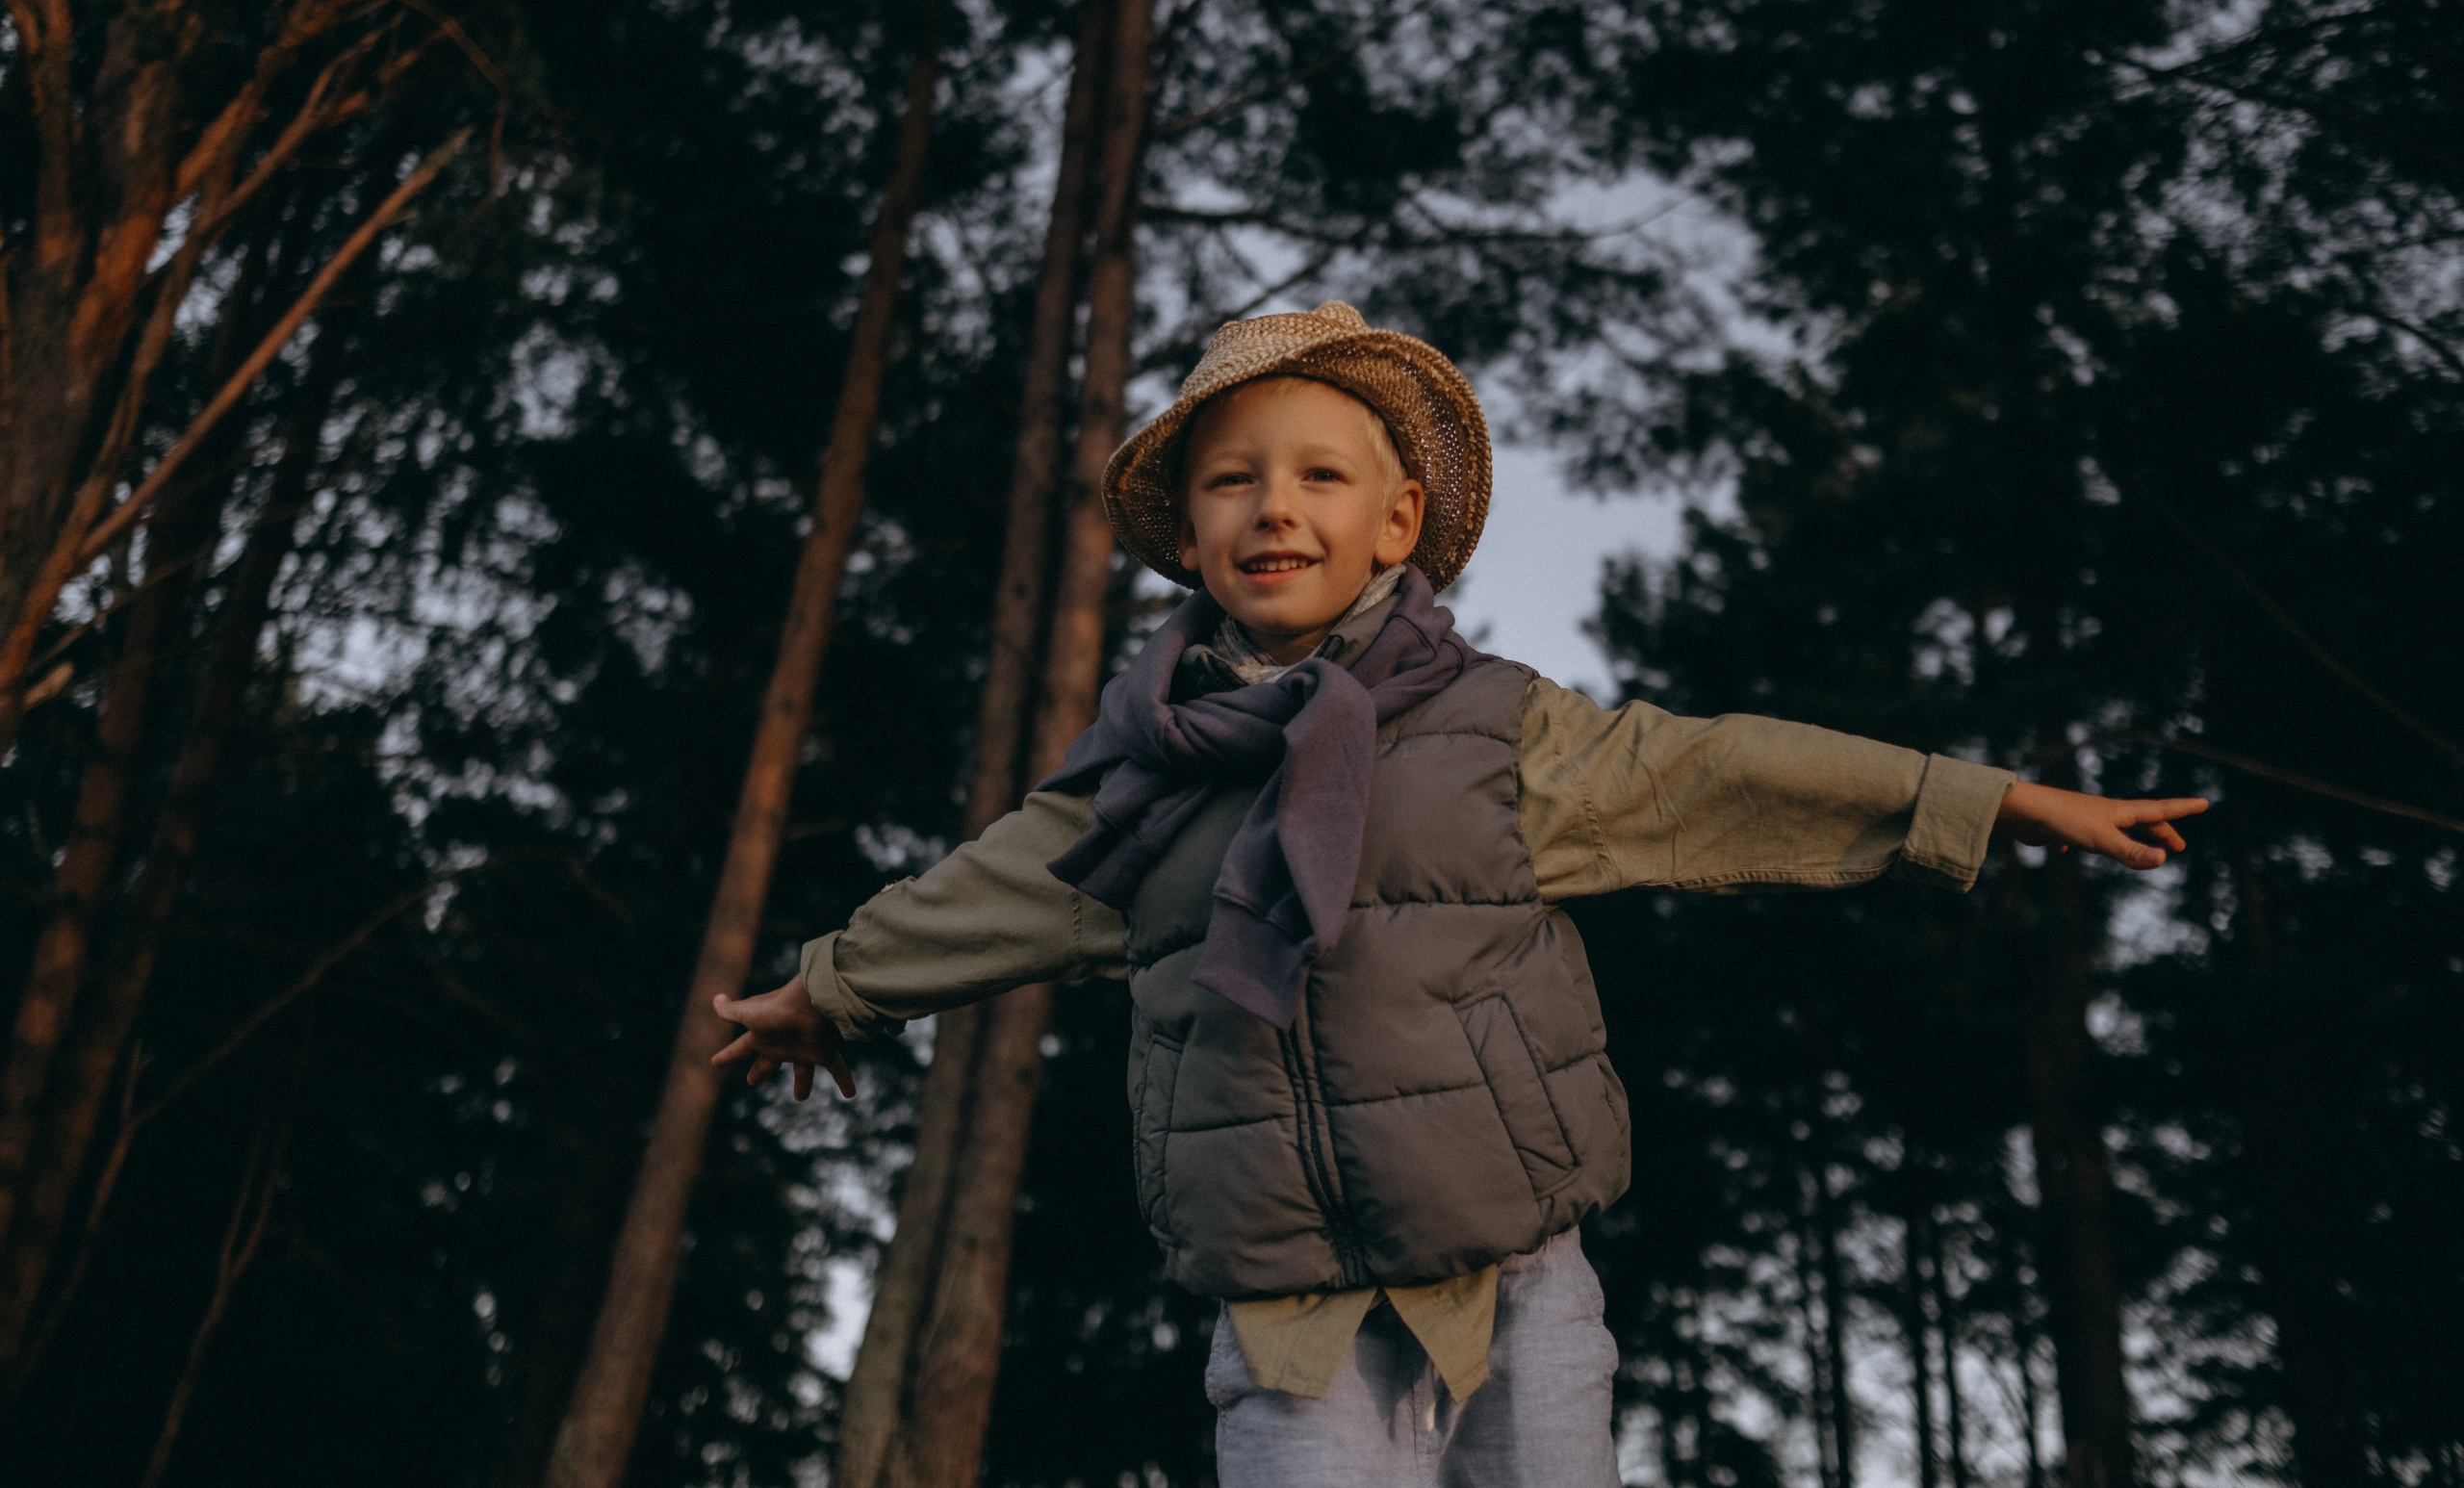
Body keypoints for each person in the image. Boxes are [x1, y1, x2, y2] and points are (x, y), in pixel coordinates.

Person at [711, 301, 2205, 1485]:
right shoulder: (1139, 781)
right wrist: (827, 983)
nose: (1271, 507)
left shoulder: (1498, 729)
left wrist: (1988, 800)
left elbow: (1723, 774)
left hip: (1516, 1289)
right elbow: (987, 893)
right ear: (1191, 537)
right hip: (1287, 1319)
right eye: (1232, 481)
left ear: (1398, 522)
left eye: (1317, 476)